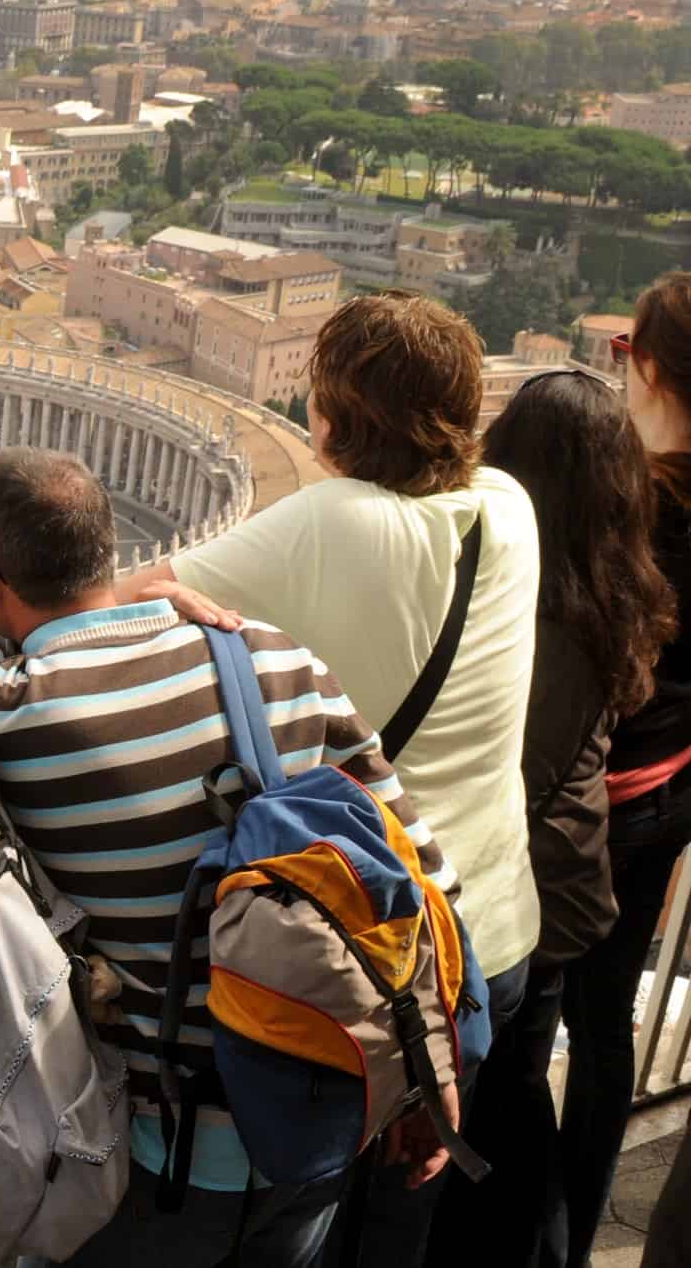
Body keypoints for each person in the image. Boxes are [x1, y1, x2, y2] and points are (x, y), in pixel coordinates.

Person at [121, 293, 541, 1264]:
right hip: (496, 944)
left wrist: (174, 592)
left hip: (381, 955)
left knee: (332, 1219)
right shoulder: (510, 508)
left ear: (334, 415)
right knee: (405, 1223)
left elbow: (128, 600)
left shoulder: (327, 523)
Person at [0, 448, 444, 1268]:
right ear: (107, 554)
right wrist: (426, 1076)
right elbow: (420, 871)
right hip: (323, 1106)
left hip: (170, 1151)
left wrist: (4, 601)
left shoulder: (12, 711)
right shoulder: (278, 655)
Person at [422, 371, 678, 1265]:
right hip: (566, 880)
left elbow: (512, 774)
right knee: (521, 1098)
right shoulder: (616, 587)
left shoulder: (537, 610)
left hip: (524, 892)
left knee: (504, 1114)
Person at [557, 271, 691, 1268]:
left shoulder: (629, 505)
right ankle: (574, 1215)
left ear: (643, 365)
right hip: (670, 794)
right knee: (604, 1029)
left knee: (520, 1032)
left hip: (582, 800)